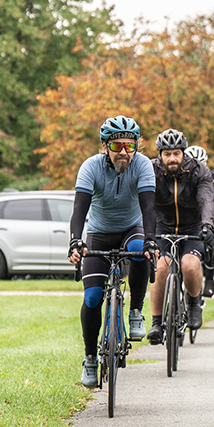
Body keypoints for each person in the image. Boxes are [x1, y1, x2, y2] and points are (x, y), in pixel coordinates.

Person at [68, 115, 157, 388]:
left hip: (132, 228)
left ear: (137, 148)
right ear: (105, 146)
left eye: (129, 147)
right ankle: (91, 358)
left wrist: (151, 241)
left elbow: (148, 209)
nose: (123, 153)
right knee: (93, 297)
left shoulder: (142, 165)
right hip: (99, 233)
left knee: (140, 248)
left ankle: (136, 312)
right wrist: (75, 241)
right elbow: (79, 211)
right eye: (117, 146)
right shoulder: (90, 167)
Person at [145, 129, 214, 344]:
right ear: (160, 155)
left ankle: (194, 304)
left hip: (192, 227)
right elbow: (142, 201)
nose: (172, 158)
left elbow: (206, 200)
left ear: (183, 153)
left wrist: (207, 225)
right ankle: (157, 322)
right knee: (161, 268)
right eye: (167, 154)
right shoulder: (150, 170)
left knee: (189, 265)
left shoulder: (198, 170)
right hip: (161, 226)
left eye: (176, 153)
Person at [184, 145, 214, 298]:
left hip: (213, 218)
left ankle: (209, 277)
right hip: (190, 220)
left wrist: (209, 197)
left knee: (209, 241)